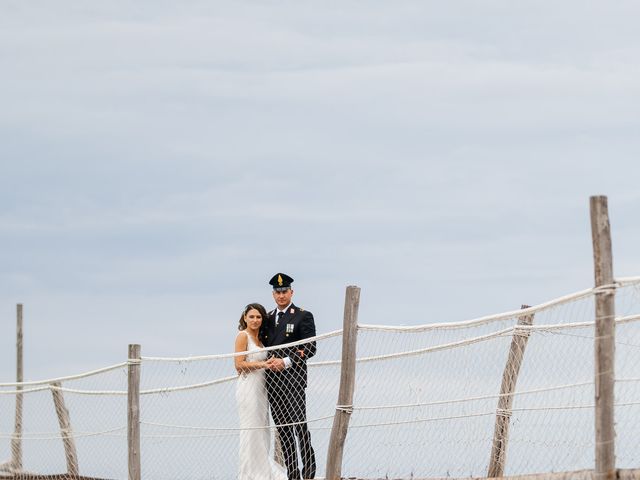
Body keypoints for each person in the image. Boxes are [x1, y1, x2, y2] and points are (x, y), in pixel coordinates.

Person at [264, 273, 317, 480]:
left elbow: (310, 347)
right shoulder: (267, 318)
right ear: (273, 294)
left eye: (284, 291)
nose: (281, 295)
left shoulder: (303, 316)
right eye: (277, 292)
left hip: (293, 379)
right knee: (283, 430)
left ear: (291, 292)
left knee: (299, 426)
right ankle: (293, 473)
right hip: (273, 382)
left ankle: (309, 471)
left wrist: (285, 361)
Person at [235, 303, 287, 480]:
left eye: (258, 317)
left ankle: (262, 471)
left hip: (261, 389)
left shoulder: (262, 340)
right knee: (251, 430)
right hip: (248, 388)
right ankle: (250, 474)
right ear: (245, 318)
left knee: (262, 428)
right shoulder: (243, 336)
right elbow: (239, 364)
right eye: (251, 317)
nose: (255, 320)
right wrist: (264, 364)